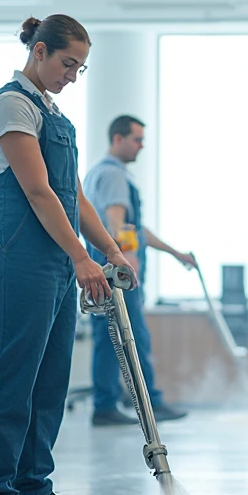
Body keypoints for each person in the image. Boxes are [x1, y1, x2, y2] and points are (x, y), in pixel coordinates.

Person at [0, 14, 129, 495]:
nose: (72, 76)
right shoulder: (12, 105)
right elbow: (37, 192)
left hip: (54, 254)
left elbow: (72, 195)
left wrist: (110, 250)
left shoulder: (52, 112)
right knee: (11, 376)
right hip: (16, 250)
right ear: (38, 51)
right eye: (66, 64)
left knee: (50, 377)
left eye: (80, 69)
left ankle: (33, 489)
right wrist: (82, 258)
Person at [83, 115, 195, 426]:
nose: (142, 145)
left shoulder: (99, 174)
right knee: (131, 338)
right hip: (118, 272)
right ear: (118, 139)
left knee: (111, 337)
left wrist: (174, 253)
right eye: (137, 139)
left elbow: (136, 227)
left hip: (108, 267)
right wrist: (127, 258)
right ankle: (142, 404)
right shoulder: (113, 176)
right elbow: (117, 223)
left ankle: (108, 403)